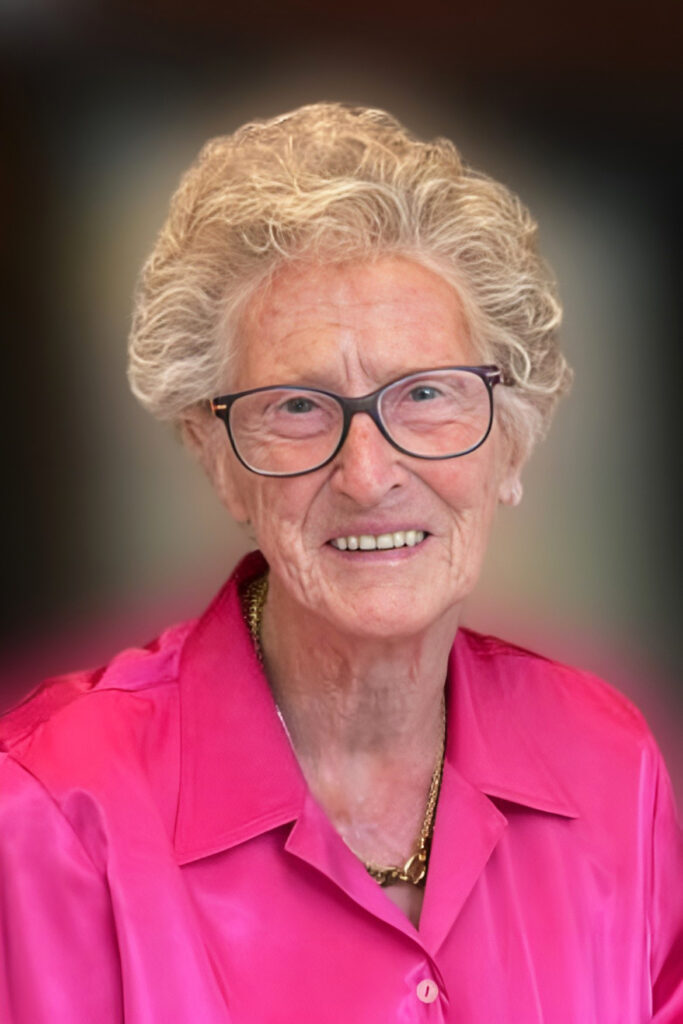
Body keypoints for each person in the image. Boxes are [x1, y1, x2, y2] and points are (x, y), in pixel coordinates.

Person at [0, 103, 681, 1023]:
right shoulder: (50, 810)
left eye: (426, 394)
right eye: (297, 407)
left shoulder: (606, 763)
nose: (367, 475)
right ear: (217, 459)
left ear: (511, 441)